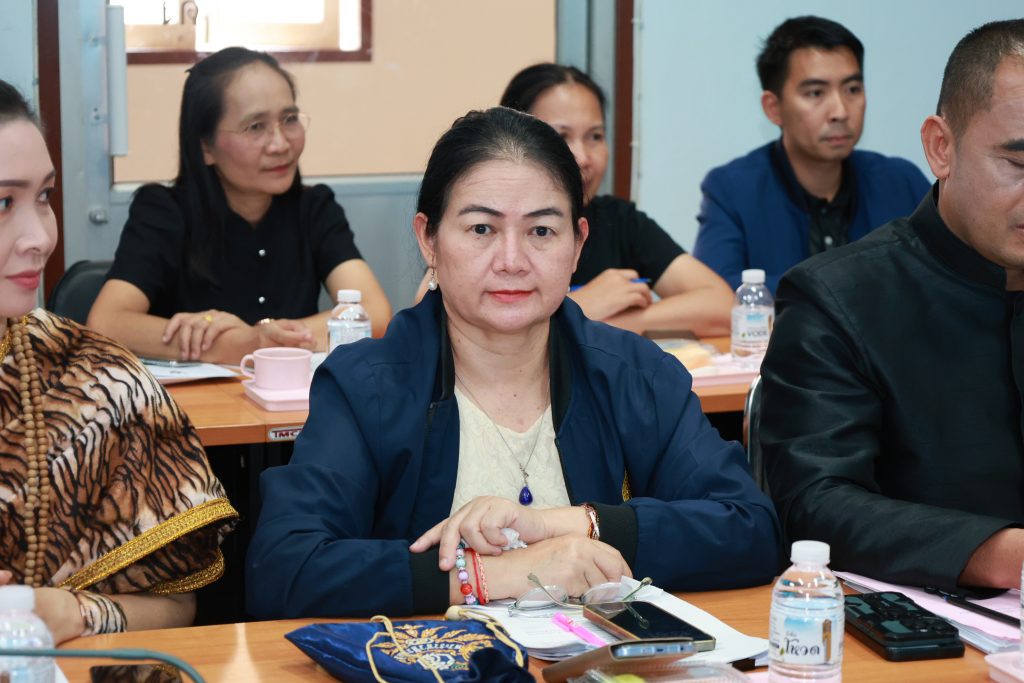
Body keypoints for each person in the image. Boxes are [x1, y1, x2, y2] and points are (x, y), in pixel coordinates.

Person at [246, 107, 780, 618]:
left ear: (578, 244)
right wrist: (496, 574)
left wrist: (568, 525)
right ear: (428, 239)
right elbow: (284, 567)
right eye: (481, 229)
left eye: (541, 231)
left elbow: (750, 529)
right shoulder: (366, 386)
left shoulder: (635, 373)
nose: (511, 261)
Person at [760, 19, 1024, 592]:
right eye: (1018, 165)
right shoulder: (837, 298)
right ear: (941, 147)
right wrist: (1004, 556)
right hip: (928, 619)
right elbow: (813, 505)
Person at [0, 80, 237, 643]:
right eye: (3, 203)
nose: (40, 237)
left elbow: (175, 604)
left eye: (45, 197)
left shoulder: (102, 383)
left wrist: (71, 613)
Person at [88, 47, 391, 363]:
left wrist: (267, 339)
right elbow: (106, 322)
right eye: (255, 127)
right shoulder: (163, 212)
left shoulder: (314, 207)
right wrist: (239, 344)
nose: (280, 144)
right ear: (206, 147)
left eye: (289, 119)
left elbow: (374, 312)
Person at [693, 16, 930, 293]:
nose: (840, 111)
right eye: (816, 93)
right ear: (773, 108)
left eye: (852, 89)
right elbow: (714, 293)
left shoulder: (902, 182)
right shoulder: (732, 190)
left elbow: (950, 273)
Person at [499, 63, 733, 336]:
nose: (583, 158)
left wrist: (600, 323)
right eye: (561, 137)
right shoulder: (489, 228)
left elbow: (723, 307)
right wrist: (580, 306)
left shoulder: (619, 221)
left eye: (595, 136)